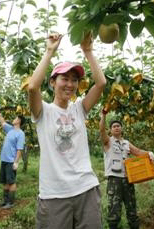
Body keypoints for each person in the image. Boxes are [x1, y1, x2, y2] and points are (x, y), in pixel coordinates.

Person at [28, 32, 106, 229]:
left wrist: (87, 51)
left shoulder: (79, 109)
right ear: (53, 82)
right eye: (64, 78)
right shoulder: (43, 112)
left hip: (85, 189)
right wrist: (49, 51)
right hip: (55, 194)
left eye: (74, 80)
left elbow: (101, 83)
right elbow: (32, 88)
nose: (70, 84)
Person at [99, 110, 154, 229]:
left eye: (118, 126)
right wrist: (103, 116)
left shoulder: (126, 143)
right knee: (114, 209)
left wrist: (149, 154)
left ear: (121, 128)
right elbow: (101, 130)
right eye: (114, 126)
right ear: (111, 130)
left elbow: (138, 152)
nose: (116, 128)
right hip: (114, 180)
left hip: (128, 179)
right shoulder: (108, 142)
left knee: (131, 208)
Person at [0, 108, 26, 209]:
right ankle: (5, 201)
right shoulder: (10, 129)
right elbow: (3, 122)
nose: (14, 119)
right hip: (4, 160)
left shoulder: (20, 133)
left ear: (19, 121)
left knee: (11, 182)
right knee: (5, 181)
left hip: (10, 161)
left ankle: (11, 202)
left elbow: (19, 149)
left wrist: (16, 162)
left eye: (16, 118)